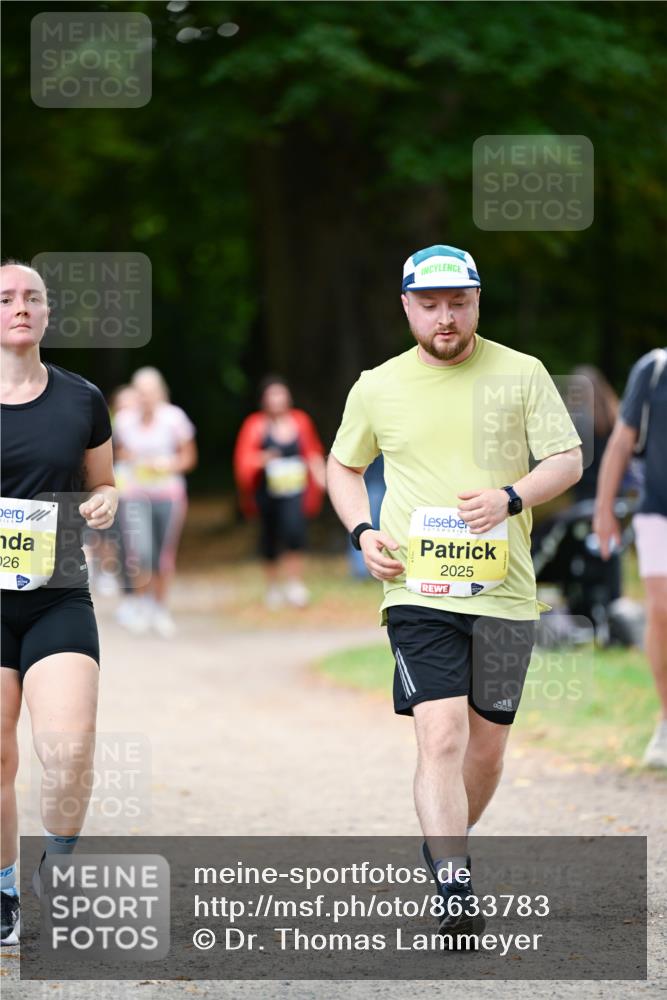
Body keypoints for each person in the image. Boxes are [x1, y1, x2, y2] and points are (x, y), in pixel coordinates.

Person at [327, 244, 582, 940]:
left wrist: (510, 496)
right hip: (417, 589)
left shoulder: (521, 373)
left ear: (476, 301)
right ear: (407, 306)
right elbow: (343, 466)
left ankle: (444, 844)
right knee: (438, 734)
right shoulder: (377, 385)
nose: (445, 317)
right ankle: (453, 880)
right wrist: (361, 530)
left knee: (486, 748)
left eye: (458, 302)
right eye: (430, 304)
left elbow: (566, 458)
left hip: (503, 592)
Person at [1, 261, 117, 945]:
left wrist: (103, 501)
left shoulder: (80, 399)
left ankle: (59, 865)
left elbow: (104, 483)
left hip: (56, 595)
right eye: (7, 297)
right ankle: (5, 888)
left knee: (67, 750)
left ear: (47, 315)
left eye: (32, 298)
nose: (20, 307)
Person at [594, 347, 667, 767]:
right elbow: (621, 442)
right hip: (658, 510)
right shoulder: (653, 369)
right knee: (660, 611)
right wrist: (604, 508)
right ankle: (665, 718)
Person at [112, 367, 197, 638]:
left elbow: (188, 457)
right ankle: (140, 604)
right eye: (141, 393)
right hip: (136, 495)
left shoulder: (174, 418)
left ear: (160, 393)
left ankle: (160, 608)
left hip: (168, 494)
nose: (146, 398)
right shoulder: (124, 420)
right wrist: (132, 458)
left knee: (163, 555)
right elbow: (116, 452)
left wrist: (168, 464)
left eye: (150, 393)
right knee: (140, 552)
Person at [233, 376, 326, 609]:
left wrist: (321, 475)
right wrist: (261, 460)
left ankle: (295, 583)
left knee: (295, 532)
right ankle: (272, 586)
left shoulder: (300, 421)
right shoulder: (255, 424)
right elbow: (244, 458)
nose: (276, 400)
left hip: (295, 489)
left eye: (280, 394)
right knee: (270, 536)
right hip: (267, 491)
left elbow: (312, 451)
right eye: (271, 395)